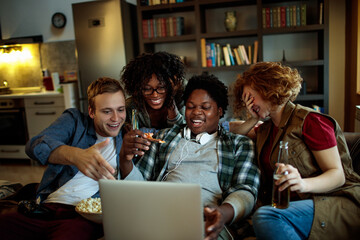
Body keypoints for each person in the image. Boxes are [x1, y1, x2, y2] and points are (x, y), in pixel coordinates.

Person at [119, 74, 260, 240]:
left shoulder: (239, 144)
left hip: (204, 221)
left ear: (220, 111)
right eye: (191, 107)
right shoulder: (163, 138)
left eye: (205, 107)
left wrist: (222, 213)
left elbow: (246, 190)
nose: (196, 113)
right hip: (159, 216)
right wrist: (125, 159)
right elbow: (138, 187)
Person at [231, 61, 360, 240]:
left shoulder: (311, 121)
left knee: (265, 217)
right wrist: (252, 118)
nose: (249, 103)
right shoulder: (265, 130)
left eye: (251, 97)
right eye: (246, 100)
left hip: (336, 201)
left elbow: (338, 176)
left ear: (267, 88)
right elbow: (231, 133)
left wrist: (302, 183)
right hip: (295, 208)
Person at [0, 77, 126, 239]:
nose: (116, 118)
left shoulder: (128, 137)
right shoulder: (75, 121)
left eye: (120, 109)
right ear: (92, 112)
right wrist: (75, 156)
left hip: (83, 216)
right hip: (46, 207)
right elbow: (35, 145)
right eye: (107, 111)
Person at [120, 51, 185, 130]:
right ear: (138, 88)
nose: (155, 95)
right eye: (147, 89)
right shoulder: (130, 107)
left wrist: (171, 101)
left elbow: (182, 132)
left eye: (161, 87)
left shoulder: (183, 101)